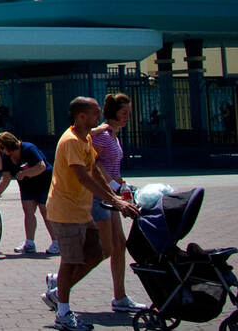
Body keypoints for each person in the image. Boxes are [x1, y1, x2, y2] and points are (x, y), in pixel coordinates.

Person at [41, 96, 139, 331]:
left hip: (82, 210)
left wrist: (115, 198)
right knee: (70, 260)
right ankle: (62, 312)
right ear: (81, 116)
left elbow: (94, 169)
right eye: (95, 113)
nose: (99, 117)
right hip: (66, 210)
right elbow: (82, 176)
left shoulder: (85, 139)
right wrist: (113, 200)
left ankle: (57, 293)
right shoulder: (72, 140)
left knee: (100, 252)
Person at [89, 93, 148, 314]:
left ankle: (120, 295)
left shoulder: (113, 134)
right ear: (113, 112)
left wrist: (121, 184)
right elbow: (93, 163)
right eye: (124, 113)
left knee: (118, 245)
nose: (127, 117)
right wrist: (112, 184)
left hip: (111, 194)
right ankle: (59, 284)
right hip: (101, 195)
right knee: (104, 248)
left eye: (129, 113)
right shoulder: (103, 135)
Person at [0, 130, 58, 255]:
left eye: (2, 148)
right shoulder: (7, 158)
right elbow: (6, 177)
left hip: (43, 183)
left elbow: (42, 166)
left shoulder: (28, 148)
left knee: (45, 211)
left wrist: (24, 173)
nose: (1, 151)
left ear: (8, 145)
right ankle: (29, 243)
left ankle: (56, 243)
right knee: (28, 211)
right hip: (27, 186)